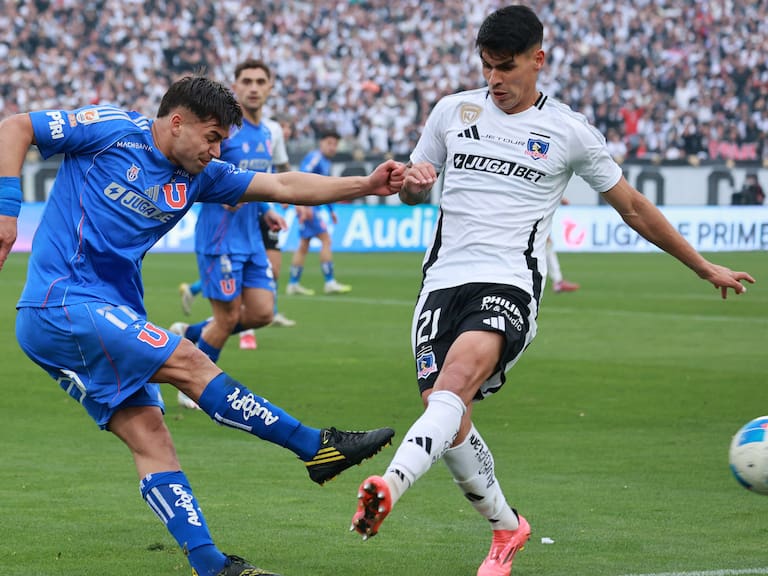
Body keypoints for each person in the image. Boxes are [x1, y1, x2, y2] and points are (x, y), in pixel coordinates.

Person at [348, 7, 754, 576]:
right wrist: (413, 187)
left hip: (510, 283)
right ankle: (506, 528)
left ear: (538, 59)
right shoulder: (450, 111)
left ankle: (389, 486)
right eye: (487, 67)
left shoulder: (568, 131)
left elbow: (633, 207)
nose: (495, 80)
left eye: (507, 68)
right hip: (440, 284)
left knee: (457, 381)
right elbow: (414, 190)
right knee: (444, 407)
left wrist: (700, 265)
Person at [0, 75, 402, 576]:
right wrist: (7, 210)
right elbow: (15, 127)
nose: (217, 151)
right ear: (176, 122)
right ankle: (314, 445)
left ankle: (211, 565)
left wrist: (365, 184)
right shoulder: (109, 129)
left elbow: (281, 185)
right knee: (188, 358)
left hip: (101, 315)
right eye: (211, 138)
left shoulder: (200, 175)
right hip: (61, 303)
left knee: (153, 437)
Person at [174, 60, 293, 375]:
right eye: (247, 81)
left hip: (252, 237)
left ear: (269, 88)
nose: (253, 88)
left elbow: (258, 179)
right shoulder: (225, 132)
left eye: (260, 81)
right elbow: (194, 168)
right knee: (226, 318)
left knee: (262, 312)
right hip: (220, 237)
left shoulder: (266, 132)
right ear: (235, 87)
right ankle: (197, 380)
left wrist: (267, 210)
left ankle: (188, 334)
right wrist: (221, 193)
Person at [285, 128, 351, 296]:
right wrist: (303, 206)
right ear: (321, 143)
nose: (332, 147)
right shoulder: (315, 158)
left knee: (303, 245)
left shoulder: (326, 162)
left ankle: (293, 284)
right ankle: (330, 282)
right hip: (309, 207)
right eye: (329, 143)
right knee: (326, 240)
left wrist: (331, 210)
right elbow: (302, 176)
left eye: (335, 144)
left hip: (310, 206)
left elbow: (325, 189)